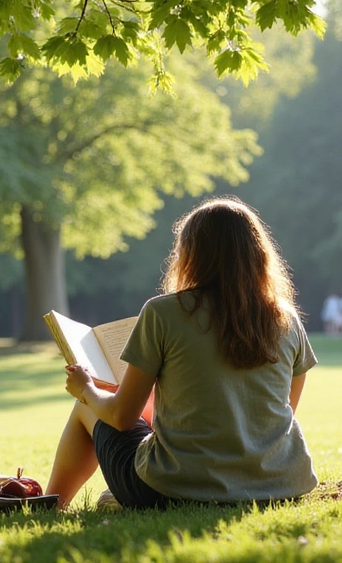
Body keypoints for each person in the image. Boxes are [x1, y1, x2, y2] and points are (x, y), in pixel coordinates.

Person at [45, 196, 318, 509]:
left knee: (87, 407)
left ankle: (52, 504)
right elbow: (281, 411)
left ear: (190, 254)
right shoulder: (286, 318)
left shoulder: (164, 313)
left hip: (173, 489)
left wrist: (86, 389)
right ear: (258, 254)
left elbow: (121, 418)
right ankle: (108, 499)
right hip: (280, 484)